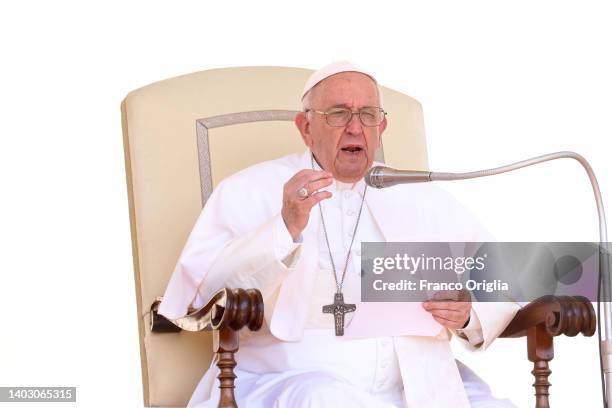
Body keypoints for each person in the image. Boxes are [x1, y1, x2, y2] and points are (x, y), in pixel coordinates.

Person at [159, 61, 520, 407]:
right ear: (305, 128)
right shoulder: (248, 190)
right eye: (337, 113)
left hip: (419, 385)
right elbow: (205, 290)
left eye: (368, 114)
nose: (355, 127)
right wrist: (284, 227)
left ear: (381, 128)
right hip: (294, 380)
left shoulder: (421, 196)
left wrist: (469, 312)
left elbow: (510, 277)